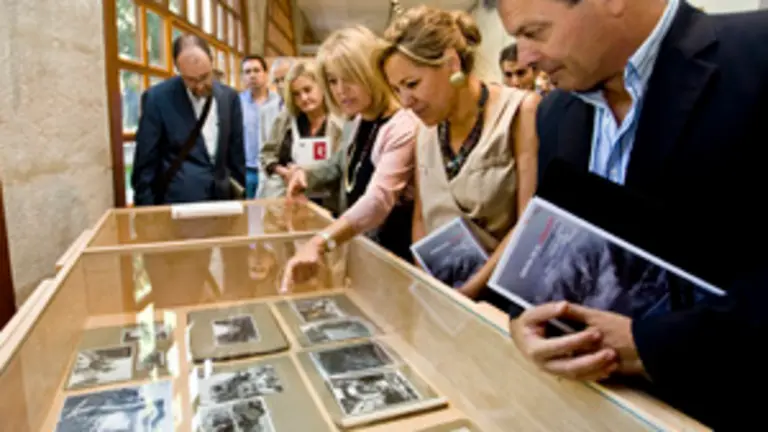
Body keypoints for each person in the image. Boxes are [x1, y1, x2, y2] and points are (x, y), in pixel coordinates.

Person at [497, 0, 768, 427]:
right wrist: (525, 324)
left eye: (534, 32)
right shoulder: (554, 114)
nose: (524, 57)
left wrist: (651, 345)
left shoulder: (756, 55)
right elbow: (552, 251)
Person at [377, 6, 539, 301]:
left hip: (500, 300)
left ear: (451, 63)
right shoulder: (424, 127)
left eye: (412, 84)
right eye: (397, 89)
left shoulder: (519, 112)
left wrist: (470, 289)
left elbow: (529, 221)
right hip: (442, 296)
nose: (405, 101)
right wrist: (425, 280)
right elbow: (421, 219)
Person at [281, 26, 419, 288]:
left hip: (395, 261)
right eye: (332, 81)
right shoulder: (356, 119)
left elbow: (378, 200)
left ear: (372, 73)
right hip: (363, 255)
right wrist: (305, 173)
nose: (341, 90)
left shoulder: (402, 125)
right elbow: (340, 165)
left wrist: (321, 241)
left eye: (349, 78)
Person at [131, 34, 244, 205]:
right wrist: (147, 215)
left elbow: (236, 155)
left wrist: (241, 201)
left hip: (222, 202)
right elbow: (145, 165)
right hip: (178, 204)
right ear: (178, 70)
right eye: (191, 80)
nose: (199, 85)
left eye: (205, 76)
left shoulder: (230, 97)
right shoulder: (157, 99)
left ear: (212, 62)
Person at [259, 60, 343, 213]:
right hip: (288, 201)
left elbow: (340, 166)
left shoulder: (340, 122)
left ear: (321, 87)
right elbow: (267, 155)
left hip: (329, 204)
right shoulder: (285, 120)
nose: (303, 98)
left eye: (308, 90)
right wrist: (285, 173)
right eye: (296, 94)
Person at [240, 55, 280, 198]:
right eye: (247, 72)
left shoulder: (279, 102)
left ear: (266, 74)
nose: (252, 75)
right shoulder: (238, 103)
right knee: (248, 214)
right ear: (243, 77)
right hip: (247, 169)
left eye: (257, 70)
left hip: (272, 170)